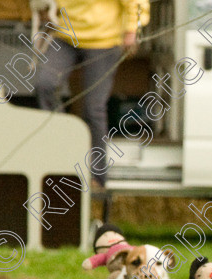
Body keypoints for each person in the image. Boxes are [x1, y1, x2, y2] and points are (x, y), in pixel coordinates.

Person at [34, 0, 150, 194]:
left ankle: (97, 177)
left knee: (93, 108)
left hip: (104, 40)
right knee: (44, 85)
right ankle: (65, 148)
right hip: (64, 35)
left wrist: (131, 31)